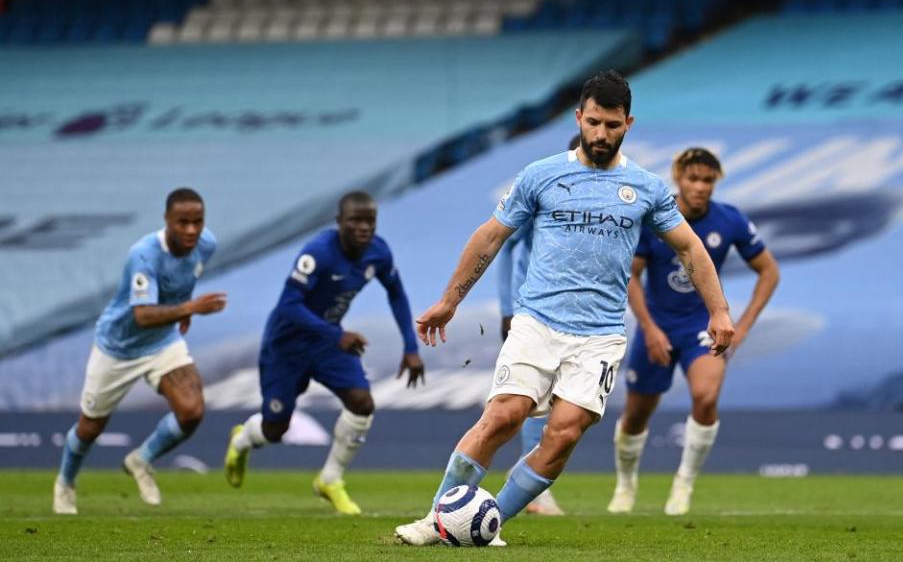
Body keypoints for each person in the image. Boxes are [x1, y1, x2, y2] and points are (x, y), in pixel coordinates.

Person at [395, 70, 735, 546]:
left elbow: (691, 249)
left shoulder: (646, 188)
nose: (600, 134)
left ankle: (486, 524)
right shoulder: (541, 175)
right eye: (593, 122)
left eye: (612, 125)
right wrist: (450, 301)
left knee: (564, 434)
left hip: (599, 336)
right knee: (503, 416)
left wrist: (718, 311)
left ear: (628, 124)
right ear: (579, 117)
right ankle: (435, 520)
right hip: (538, 322)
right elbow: (492, 236)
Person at [223, 191, 424, 515]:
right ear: (339, 222)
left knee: (362, 402)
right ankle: (242, 440)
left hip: (327, 344)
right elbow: (289, 305)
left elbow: (396, 293)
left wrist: (411, 347)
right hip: (286, 345)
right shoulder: (317, 254)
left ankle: (330, 479)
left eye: (369, 221)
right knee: (276, 428)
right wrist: (336, 333)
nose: (363, 227)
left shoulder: (378, 253)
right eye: (355, 220)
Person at [607, 147, 780, 516]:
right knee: (636, 415)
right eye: (693, 179)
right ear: (678, 180)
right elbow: (631, 277)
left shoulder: (729, 220)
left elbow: (769, 271)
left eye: (708, 180)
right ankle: (626, 484)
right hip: (657, 327)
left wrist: (744, 324)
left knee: (705, 396)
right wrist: (649, 328)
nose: (700, 187)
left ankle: (683, 483)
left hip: (700, 327)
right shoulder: (654, 217)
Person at [53, 188, 224, 514]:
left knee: (192, 411)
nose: (191, 230)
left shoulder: (206, 244)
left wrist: (183, 309)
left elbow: (186, 276)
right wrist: (190, 307)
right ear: (166, 221)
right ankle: (65, 483)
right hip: (118, 346)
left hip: (162, 342)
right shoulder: (144, 255)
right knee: (91, 427)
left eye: (197, 222)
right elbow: (142, 316)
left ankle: (140, 459)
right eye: (182, 222)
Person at [496, 133, 581, 517]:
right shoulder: (546, 188)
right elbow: (506, 245)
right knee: (529, 399)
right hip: (533, 311)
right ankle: (529, 488)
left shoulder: (606, 201)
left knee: (560, 403)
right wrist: (506, 308)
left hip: (579, 315)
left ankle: (527, 483)